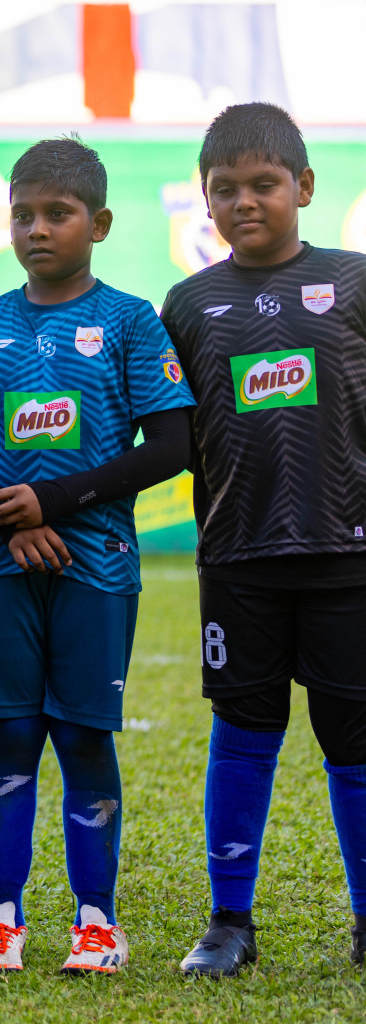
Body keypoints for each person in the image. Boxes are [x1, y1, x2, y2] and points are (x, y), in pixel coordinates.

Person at [0, 136, 194, 975]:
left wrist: (58, 502)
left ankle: (96, 920)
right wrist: (8, 517)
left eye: (58, 214)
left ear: (98, 223)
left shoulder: (131, 322)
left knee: (81, 737)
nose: (38, 229)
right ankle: (1, 918)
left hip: (97, 564)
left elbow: (172, 444)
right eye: (24, 213)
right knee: (9, 733)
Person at [160, 102, 366, 976]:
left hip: (348, 558)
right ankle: (229, 923)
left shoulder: (355, 283)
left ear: (304, 187)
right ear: (205, 202)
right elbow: (166, 433)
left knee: (354, 744)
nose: (245, 202)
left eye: (264, 185)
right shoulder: (189, 303)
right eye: (225, 190)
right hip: (238, 558)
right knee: (243, 735)